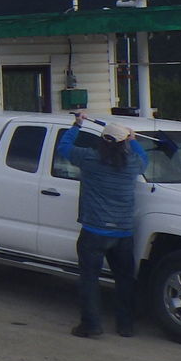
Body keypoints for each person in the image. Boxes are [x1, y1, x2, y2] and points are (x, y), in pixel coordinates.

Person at [56, 113, 149, 339]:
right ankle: (125, 326)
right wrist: (133, 140)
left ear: (102, 140)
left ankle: (91, 325)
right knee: (124, 280)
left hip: (94, 231)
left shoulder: (89, 158)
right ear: (123, 143)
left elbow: (63, 148)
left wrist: (77, 124)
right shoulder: (132, 163)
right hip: (123, 233)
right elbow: (144, 159)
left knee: (89, 280)